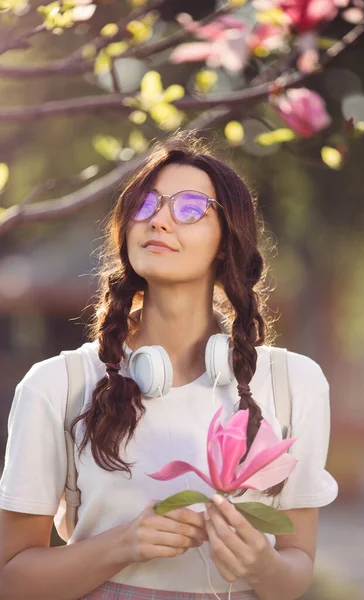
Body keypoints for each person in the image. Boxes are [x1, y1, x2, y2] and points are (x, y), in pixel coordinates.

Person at [0, 131, 338, 600]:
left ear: (226, 242)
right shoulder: (56, 385)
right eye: (146, 205)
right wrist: (121, 545)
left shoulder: (292, 384)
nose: (158, 220)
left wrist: (261, 567)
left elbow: (295, 569)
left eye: (189, 209)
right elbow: (12, 581)